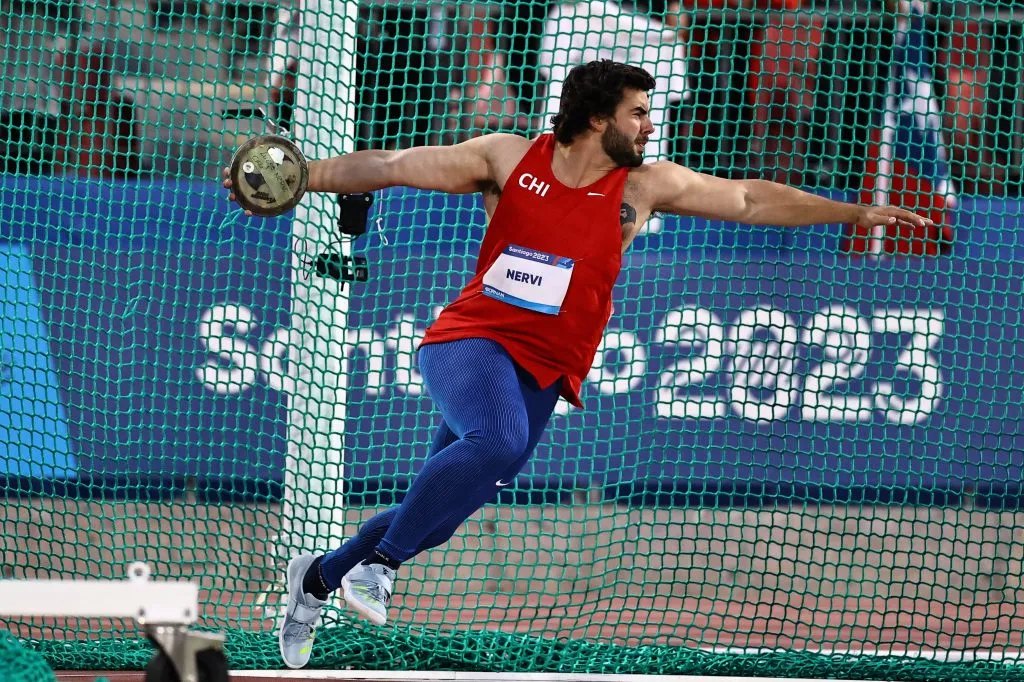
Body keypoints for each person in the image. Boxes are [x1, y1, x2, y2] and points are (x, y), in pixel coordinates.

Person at [222, 59, 931, 670]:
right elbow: (392, 167)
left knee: (437, 516)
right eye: (640, 113)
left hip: (547, 371)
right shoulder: (507, 158)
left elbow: (748, 199)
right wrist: (303, 176)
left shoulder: (640, 187)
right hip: (472, 341)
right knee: (491, 445)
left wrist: (854, 213)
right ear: (598, 119)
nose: (650, 126)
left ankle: (315, 581)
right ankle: (378, 566)